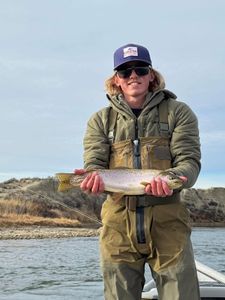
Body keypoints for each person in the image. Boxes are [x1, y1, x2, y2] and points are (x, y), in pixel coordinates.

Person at [75, 43, 201, 300]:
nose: (134, 76)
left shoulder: (179, 112)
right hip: (117, 227)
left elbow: (189, 161)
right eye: (125, 71)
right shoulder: (100, 120)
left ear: (151, 75)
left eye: (140, 69)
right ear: (116, 80)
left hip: (169, 226)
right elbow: (94, 164)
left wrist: (180, 178)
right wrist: (90, 178)